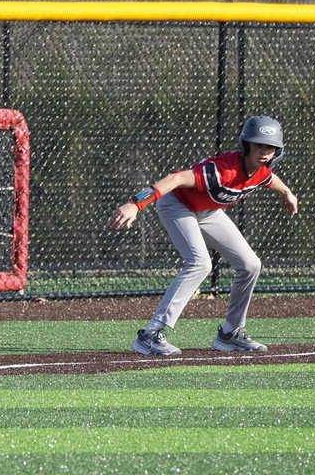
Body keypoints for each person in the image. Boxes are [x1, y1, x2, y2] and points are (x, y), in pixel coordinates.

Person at [108, 115, 298, 356]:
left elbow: (270, 180)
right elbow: (176, 178)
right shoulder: (222, 170)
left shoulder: (260, 170)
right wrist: (136, 204)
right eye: (258, 144)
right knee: (200, 263)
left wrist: (287, 193)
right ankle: (151, 335)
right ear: (246, 145)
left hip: (208, 211)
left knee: (250, 264)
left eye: (270, 147)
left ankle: (230, 333)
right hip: (177, 205)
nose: (264, 151)